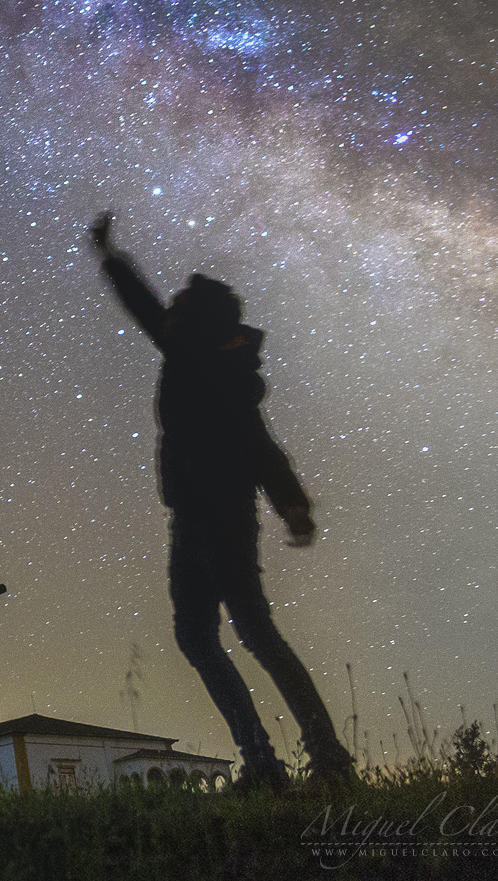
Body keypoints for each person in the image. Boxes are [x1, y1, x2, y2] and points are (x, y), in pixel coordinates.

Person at [89, 212, 355, 790]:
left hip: (216, 519)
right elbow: (260, 444)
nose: (171, 312)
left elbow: (145, 311)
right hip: (195, 519)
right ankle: (277, 761)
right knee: (206, 638)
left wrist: (111, 256)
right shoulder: (215, 365)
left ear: (198, 320)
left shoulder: (197, 359)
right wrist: (292, 504)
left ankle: (313, 760)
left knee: (247, 634)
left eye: (181, 306)